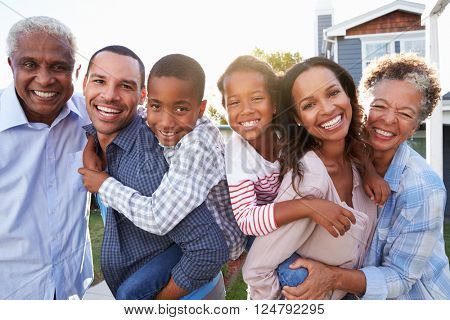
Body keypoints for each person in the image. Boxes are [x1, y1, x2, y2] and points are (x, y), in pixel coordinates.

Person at [282, 54, 450, 300]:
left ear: (415, 126)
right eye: (379, 106)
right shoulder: (344, 150)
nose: (389, 119)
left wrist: (332, 277)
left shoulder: (424, 189)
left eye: (405, 114)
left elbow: (400, 277)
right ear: (361, 105)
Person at [217, 56, 386, 298]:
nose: (246, 110)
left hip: (285, 219)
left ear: (275, 105)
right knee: (295, 275)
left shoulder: (286, 132)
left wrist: (370, 172)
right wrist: (309, 207)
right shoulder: (237, 152)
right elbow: (246, 219)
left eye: (256, 98)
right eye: (234, 103)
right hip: (255, 229)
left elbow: (346, 139)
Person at [79, 53, 246, 299]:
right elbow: (131, 115)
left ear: (200, 109)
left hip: (218, 240)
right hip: (189, 239)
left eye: (180, 108)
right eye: (157, 106)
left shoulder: (196, 148)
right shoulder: (154, 120)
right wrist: (92, 141)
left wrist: (103, 185)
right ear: (147, 101)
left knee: (130, 293)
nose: (166, 122)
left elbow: (158, 218)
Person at [0, 16, 93, 299]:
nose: (44, 78)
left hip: (72, 288)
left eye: (58, 67)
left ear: (75, 72)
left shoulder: (91, 117)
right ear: (11, 65)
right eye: (30, 64)